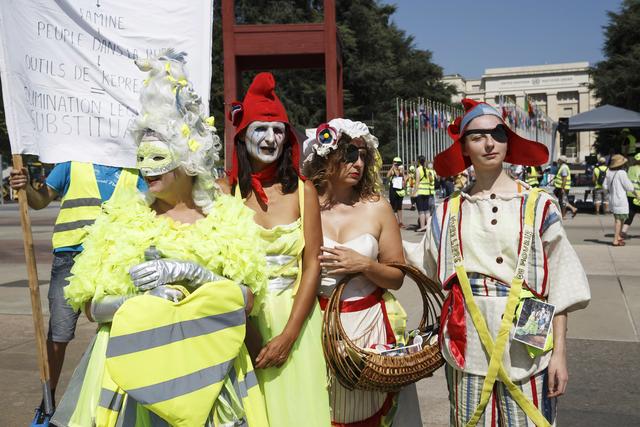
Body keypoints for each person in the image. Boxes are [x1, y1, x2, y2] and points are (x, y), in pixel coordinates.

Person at [51, 51, 269, 427]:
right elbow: (91, 307)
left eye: (156, 155)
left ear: (187, 159)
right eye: (141, 155)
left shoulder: (225, 217)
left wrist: (196, 275)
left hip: (209, 373)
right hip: (132, 374)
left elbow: (247, 300)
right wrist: (136, 302)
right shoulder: (121, 217)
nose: (145, 166)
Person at [406, 99, 590, 426]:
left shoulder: (540, 205)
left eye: (498, 133)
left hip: (529, 338)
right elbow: (424, 264)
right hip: (468, 342)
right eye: (478, 136)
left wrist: (560, 353)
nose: (490, 143)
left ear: (508, 140)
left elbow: (560, 283)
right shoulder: (446, 212)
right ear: (464, 146)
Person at [222, 72, 332, 426]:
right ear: (243, 135)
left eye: (279, 131)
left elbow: (312, 263)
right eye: (261, 129)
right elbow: (219, 267)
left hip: (297, 323)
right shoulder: (224, 193)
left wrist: (288, 335)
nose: (270, 138)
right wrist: (248, 334)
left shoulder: (305, 191)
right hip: (240, 325)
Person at [303, 118, 422, 426]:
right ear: (325, 156)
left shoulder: (377, 207)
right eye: (348, 153)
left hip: (369, 327)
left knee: (368, 413)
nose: (357, 162)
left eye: (362, 155)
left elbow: (397, 277)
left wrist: (365, 265)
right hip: (316, 326)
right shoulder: (304, 206)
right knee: (320, 412)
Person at [9, 154, 146, 411]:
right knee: (58, 335)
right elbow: (40, 201)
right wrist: (26, 186)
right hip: (70, 257)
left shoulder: (133, 169)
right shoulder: (72, 163)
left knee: (117, 330)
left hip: (115, 261)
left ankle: (110, 405)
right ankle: (46, 405)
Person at [603, 154, 640, 247]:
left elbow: (604, 186)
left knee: (620, 218)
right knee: (619, 220)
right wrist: (636, 194)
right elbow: (629, 186)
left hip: (612, 199)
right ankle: (615, 240)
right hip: (620, 199)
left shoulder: (608, 172)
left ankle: (619, 236)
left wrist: (610, 191)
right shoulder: (622, 173)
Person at [414, 155, 435, 232]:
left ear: (418, 161)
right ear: (425, 161)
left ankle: (422, 227)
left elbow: (417, 182)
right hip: (427, 192)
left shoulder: (418, 170)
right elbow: (430, 180)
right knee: (427, 210)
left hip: (420, 192)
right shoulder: (427, 170)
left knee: (421, 211)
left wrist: (414, 193)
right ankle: (427, 226)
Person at [622, 153, 640, 238]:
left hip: (629, 194)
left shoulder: (630, 169)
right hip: (638, 195)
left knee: (631, 214)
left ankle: (623, 231)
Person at [386, 156, 405, 227]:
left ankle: (400, 222)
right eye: (396, 163)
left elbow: (403, 177)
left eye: (399, 163)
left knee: (399, 207)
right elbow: (387, 175)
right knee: (393, 206)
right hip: (393, 190)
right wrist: (392, 167)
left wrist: (401, 171)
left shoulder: (401, 169)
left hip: (399, 190)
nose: (397, 165)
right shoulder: (392, 170)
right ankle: (395, 222)